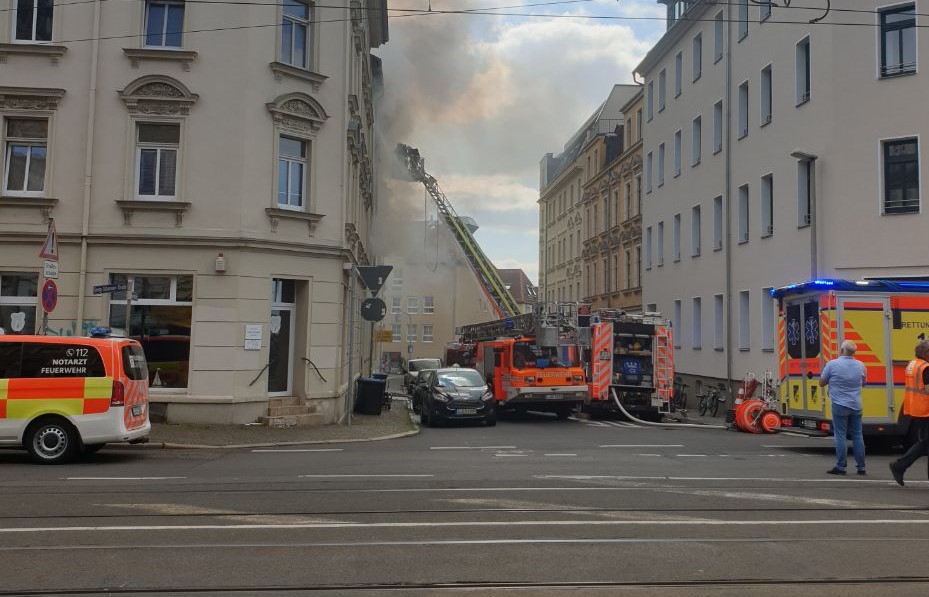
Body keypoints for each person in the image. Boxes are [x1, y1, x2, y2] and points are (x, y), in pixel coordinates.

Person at [819, 340, 867, 475]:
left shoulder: (832, 364)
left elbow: (821, 383)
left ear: (841, 350)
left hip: (839, 404)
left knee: (840, 435)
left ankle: (841, 467)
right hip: (856, 405)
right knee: (858, 435)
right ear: (854, 352)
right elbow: (863, 384)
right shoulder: (861, 365)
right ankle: (861, 467)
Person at [889, 339, 929, 486]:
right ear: (926, 353)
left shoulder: (913, 364)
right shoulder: (925, 368)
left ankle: (900, 466)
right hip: (926, 410)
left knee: (925, 444)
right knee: (925, 443)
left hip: (917, 410)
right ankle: (899, 465)